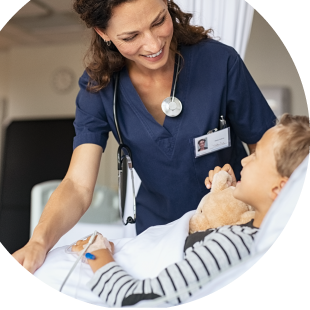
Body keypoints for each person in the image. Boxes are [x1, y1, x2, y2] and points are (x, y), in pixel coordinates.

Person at [12, 0, 276, 274]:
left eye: (158, 21)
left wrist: (256, 195)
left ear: (166, 0)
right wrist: (39, 242)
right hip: (157, 236)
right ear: (104, 33)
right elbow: (78, 185)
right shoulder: (99, 89)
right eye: (131, 36)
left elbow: (268, 146)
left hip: (233, 226)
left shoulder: (219, 63)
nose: (153, 44)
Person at [75, 114, 310, 307]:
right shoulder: (245, 229)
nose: (244, 161)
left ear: (280, 188)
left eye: (256, 157)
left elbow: (138, 299)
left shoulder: (235, 245)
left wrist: (96, 252)